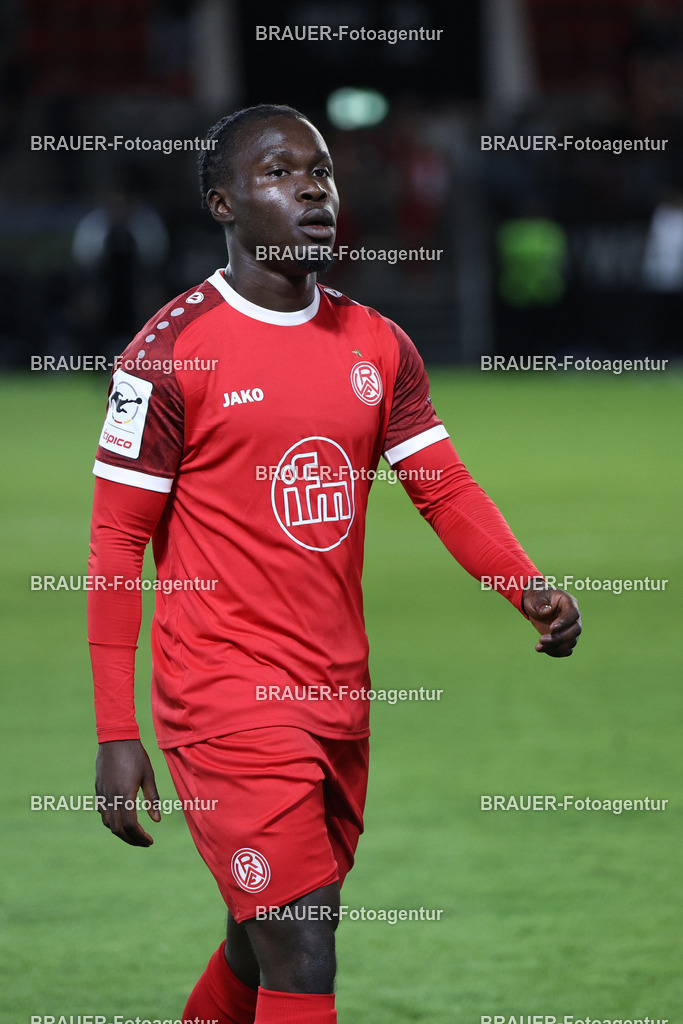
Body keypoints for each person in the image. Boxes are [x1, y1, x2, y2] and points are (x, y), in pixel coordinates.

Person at [88, 104, 581, 1024]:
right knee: (304, 944)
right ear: (223, 204)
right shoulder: (166, 355)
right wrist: (118, 732)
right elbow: (115, 547)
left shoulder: (377, 344)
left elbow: (441, 485)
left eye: (319, 170)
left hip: (337, 693)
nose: (312, 189)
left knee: (259, 940)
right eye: (279, 172)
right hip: (223, 696)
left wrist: (526, 585)